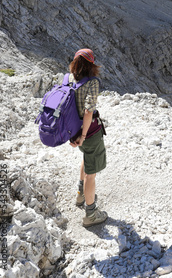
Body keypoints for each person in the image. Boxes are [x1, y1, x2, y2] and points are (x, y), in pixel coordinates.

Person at [69, 48, 108, 228]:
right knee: (91, 175)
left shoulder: (70, 79)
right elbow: (88, 111)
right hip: (89, 134)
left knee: (86, 159)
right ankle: (91, 214)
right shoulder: (92, 83)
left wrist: (77, 136)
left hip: (73, 131)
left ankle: (81, 194)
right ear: (92, 65)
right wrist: (84, 136)